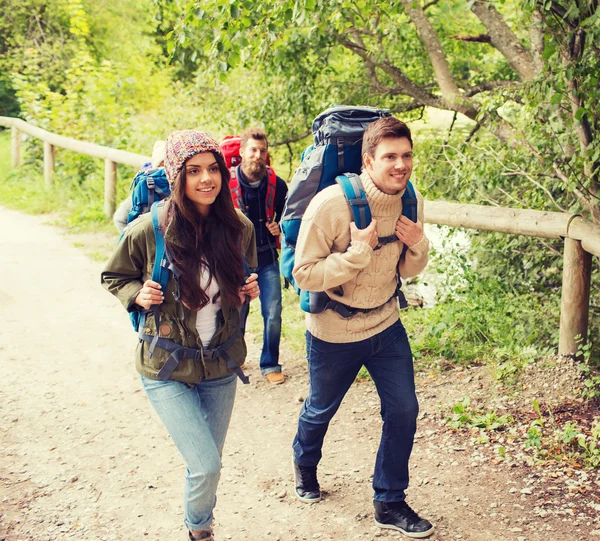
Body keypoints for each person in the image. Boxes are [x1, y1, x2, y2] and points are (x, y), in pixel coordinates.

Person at [101, 130, 259, 541]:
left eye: (212, 169)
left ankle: (198, 522)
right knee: (206, 465)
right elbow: (113, 275)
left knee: (209, 461)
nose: (206, 179)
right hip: (166, 366)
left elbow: (243, 279)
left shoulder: (238, 227)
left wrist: (245, 289)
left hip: (221, 362)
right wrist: (138, 294)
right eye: (193, 171)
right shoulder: (149, 229)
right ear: (177, 177)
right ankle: (199, 530)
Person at [290, 116, 434, 538]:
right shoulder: (331, 205)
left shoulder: (411, 199)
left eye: (406, 155)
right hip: (334, 330)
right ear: (368, 161)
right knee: (321, 408)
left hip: (386, 322)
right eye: (390, 157)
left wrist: (418, 244)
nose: (400, 165)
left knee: (404, 409)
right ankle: (305, 462)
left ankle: (389, 501)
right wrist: (355, 254)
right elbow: (304, 273)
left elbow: (408, 269)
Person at [234, 127, 288, 384]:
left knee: (273, 312)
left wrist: (280, 227)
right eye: (253, 150)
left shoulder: (278, 185)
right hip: (235, 262)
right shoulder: (226, 183)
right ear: (243, 152)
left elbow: (289, 217)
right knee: (237, 312)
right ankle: (235, 358)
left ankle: (270, 364)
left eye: (262, 151)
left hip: (266, 258)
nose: (258, 155)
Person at [113, 140, 166, 232]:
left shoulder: (147, 185)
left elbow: (120, 219)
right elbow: (120, 219)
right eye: (163, 165)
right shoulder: (147, 186)